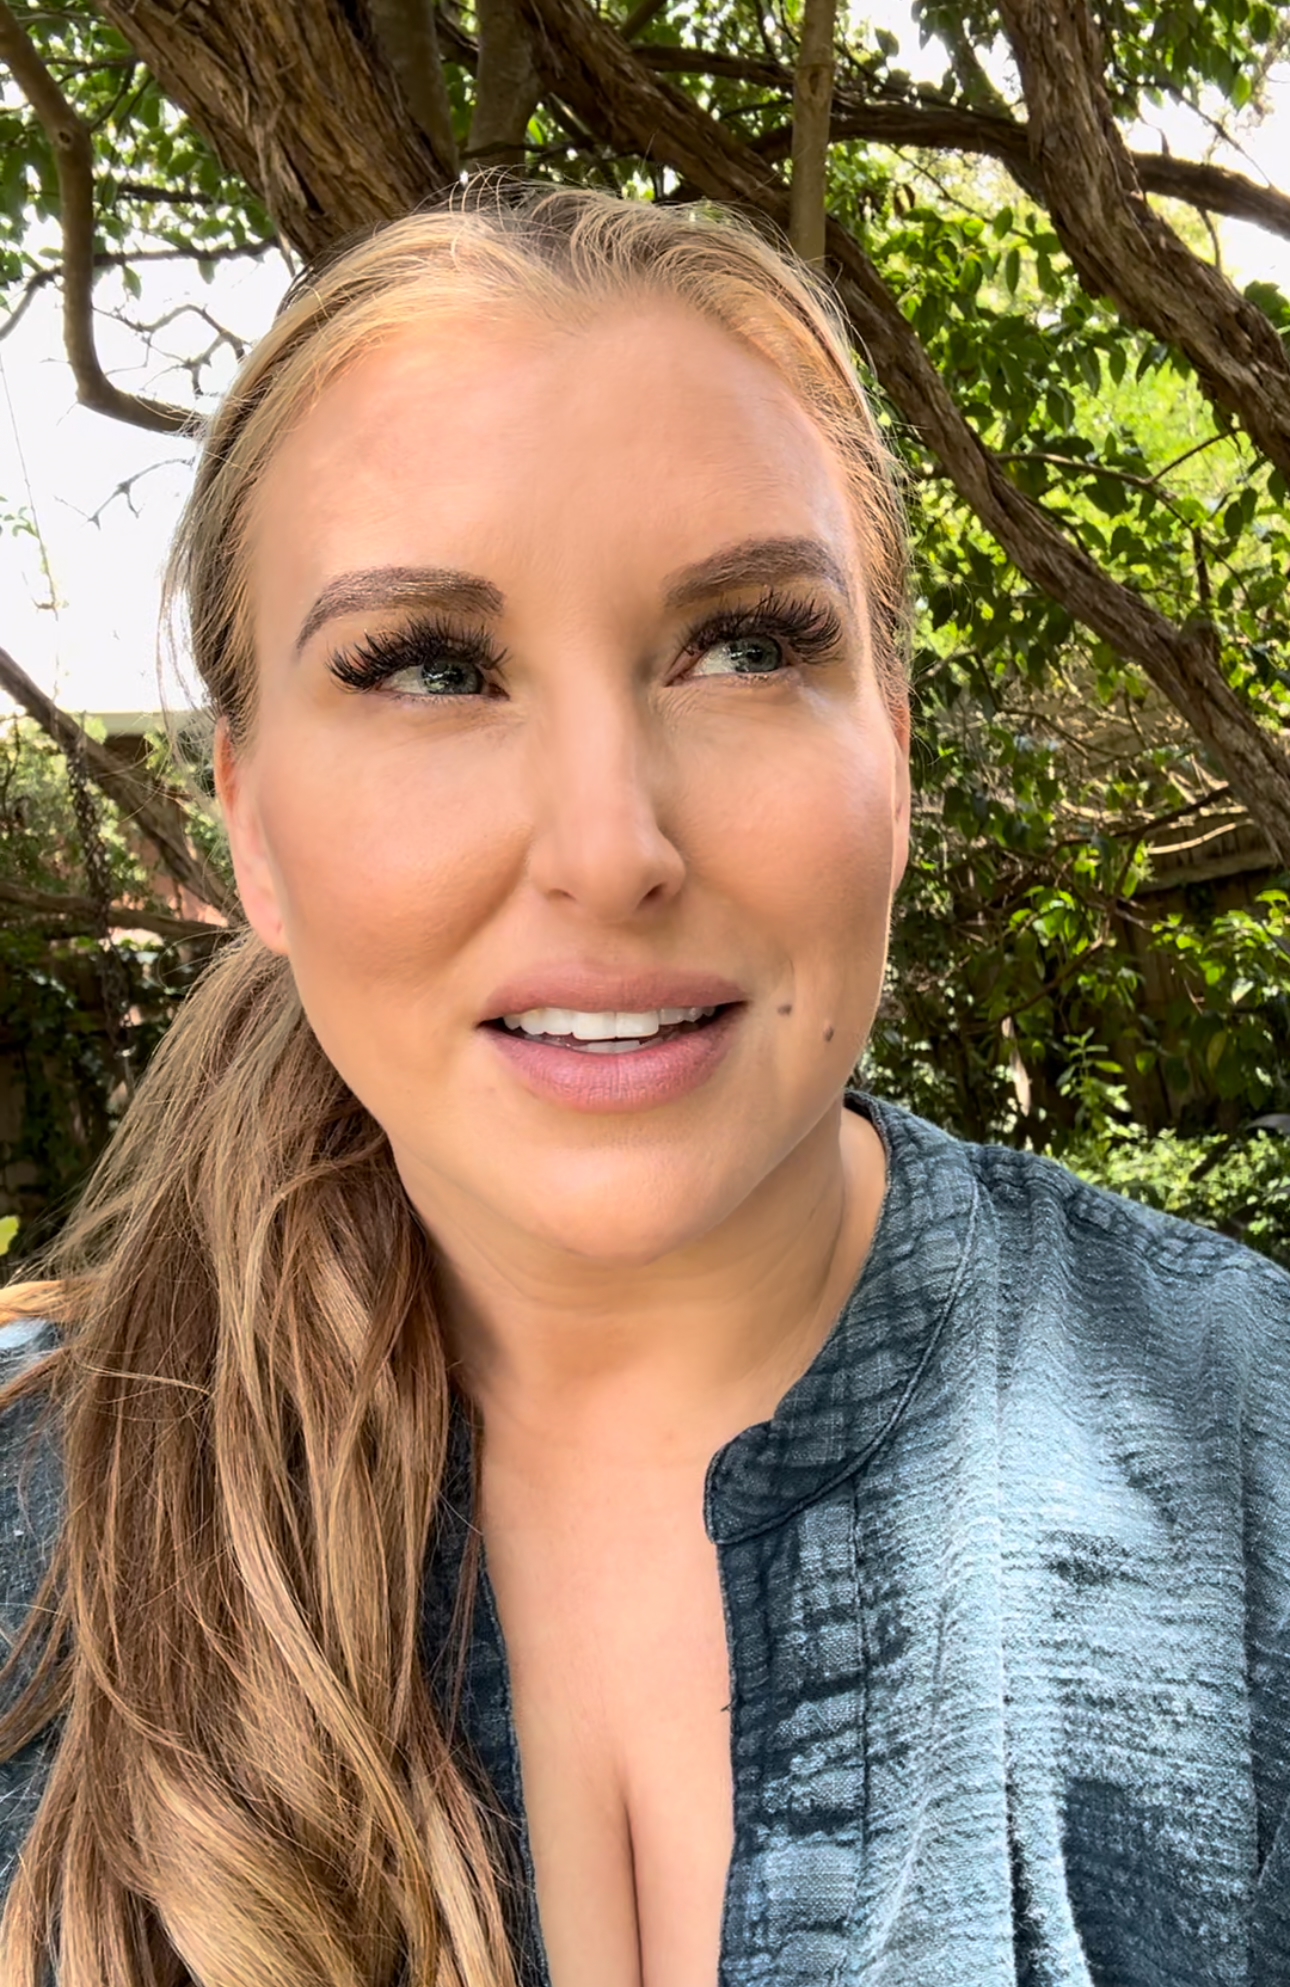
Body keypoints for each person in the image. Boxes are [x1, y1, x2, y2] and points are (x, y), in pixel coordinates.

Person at [0, 184, 1286, 1987]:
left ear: (894, 755)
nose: (610, 853)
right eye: (433, 670)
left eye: (749, 644)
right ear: (253, 826)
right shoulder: (29, 1543)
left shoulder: (1251, 1468)